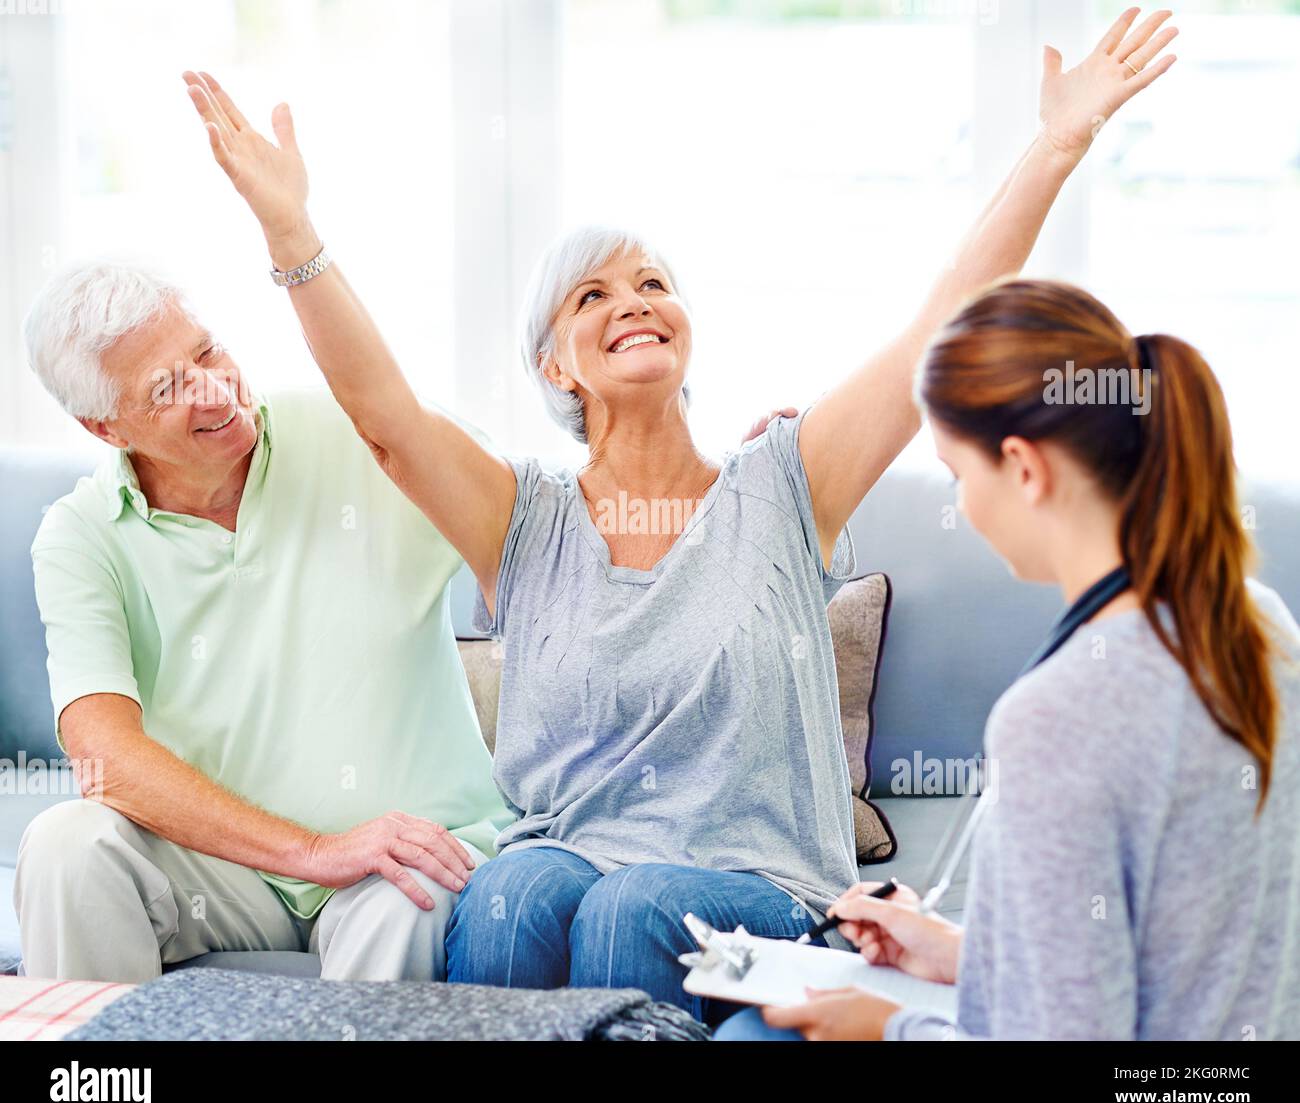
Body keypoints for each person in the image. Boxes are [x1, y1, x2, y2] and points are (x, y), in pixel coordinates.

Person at [184, 6, 1177, 1023]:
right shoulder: (523, 518)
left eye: (653, 282)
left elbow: (940, 321)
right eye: (592, 296)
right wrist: (291, 234)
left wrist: (1055, 145)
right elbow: (383, 415)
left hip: (762, 888)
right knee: (511, 892)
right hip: (565, 858)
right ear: (552, 365)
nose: (634, 302)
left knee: (633, 904)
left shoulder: (786, 481)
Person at [715, 279, 1300, 1040]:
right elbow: (1170, 957)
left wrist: (889, 1030)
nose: (961, 509)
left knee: (756, 1033)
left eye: (960, 478)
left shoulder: (1061, 713)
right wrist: (965, 952)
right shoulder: (1258, 621)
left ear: (1024, 468)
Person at [15, 262, 513, 983]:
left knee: (409, 891)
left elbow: (533, 512)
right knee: (65, 845)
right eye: (166, 387)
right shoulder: (80, 533)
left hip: (401, 853)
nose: (214, 391)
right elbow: (105, 756)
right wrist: (311, 850)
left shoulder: (354, 432)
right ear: (104, 426)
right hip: (231, 873)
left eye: (207, 351)